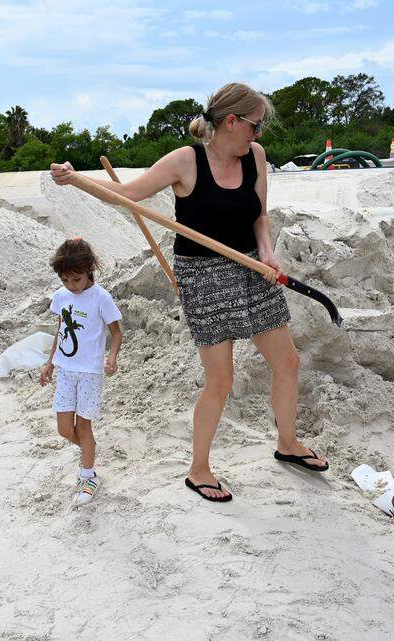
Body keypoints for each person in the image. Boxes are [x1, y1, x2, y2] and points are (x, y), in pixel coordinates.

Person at [50, 82, 328, 503]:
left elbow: (260, 216)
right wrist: (74, 180)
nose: (260, 133)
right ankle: (199, 469)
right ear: (231, 122)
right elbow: (124, 195)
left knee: (287, 360)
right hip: (203, 274)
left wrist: (268, 255)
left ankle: (287, 443)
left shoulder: (255, 157)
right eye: (256, 124)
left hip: (252, 266)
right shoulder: (186, 161)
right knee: (221, 377)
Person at [38, 238, 123, 506]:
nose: (71, 286)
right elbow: (61, 330)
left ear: (89, 270)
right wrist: (50, 362)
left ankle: (88, 476)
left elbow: (117, 333)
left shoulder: (101, 297)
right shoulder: (61, 296)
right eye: (65, 280)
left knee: (83, 426)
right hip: (65, 370)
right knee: (65, 429)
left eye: (76, 280)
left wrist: (111, 357)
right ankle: (90, 450)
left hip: (89, 372)